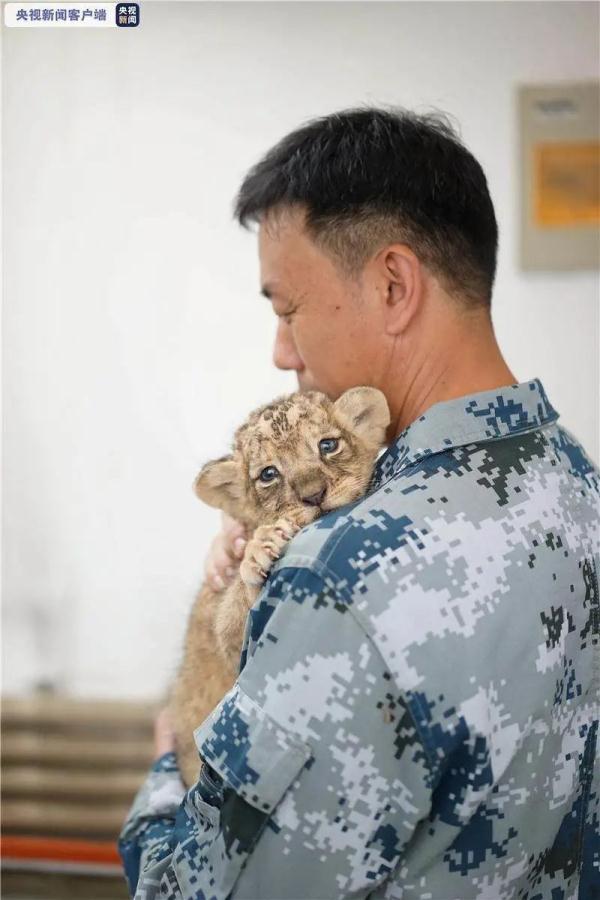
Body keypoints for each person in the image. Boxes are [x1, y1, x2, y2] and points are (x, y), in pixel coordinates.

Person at [118, 107, 600, 899]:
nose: (280, 351)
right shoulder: (575, 480)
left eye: (286, 309)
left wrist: (168, 762)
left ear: (392, 285)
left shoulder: (340, 576)